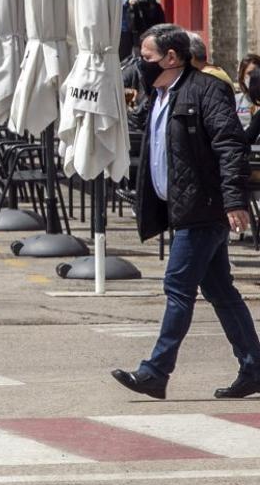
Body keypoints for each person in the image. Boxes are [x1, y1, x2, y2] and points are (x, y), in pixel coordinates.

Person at [111, 23, 260, 400]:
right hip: (179, 208)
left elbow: (229, 146)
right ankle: (255, 367)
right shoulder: (159, 94)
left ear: (171, 58)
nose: (140, 65)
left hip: (203, 207)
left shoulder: (205, 90)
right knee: (220, 290)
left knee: (177, 287)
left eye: (147, 59)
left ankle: (155, 372)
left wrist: (234, 200)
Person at [238, 53, 260, 143]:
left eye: (256, 72)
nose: (253, 77)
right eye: (250, 73)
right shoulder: (235, 101)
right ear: (242, 77)